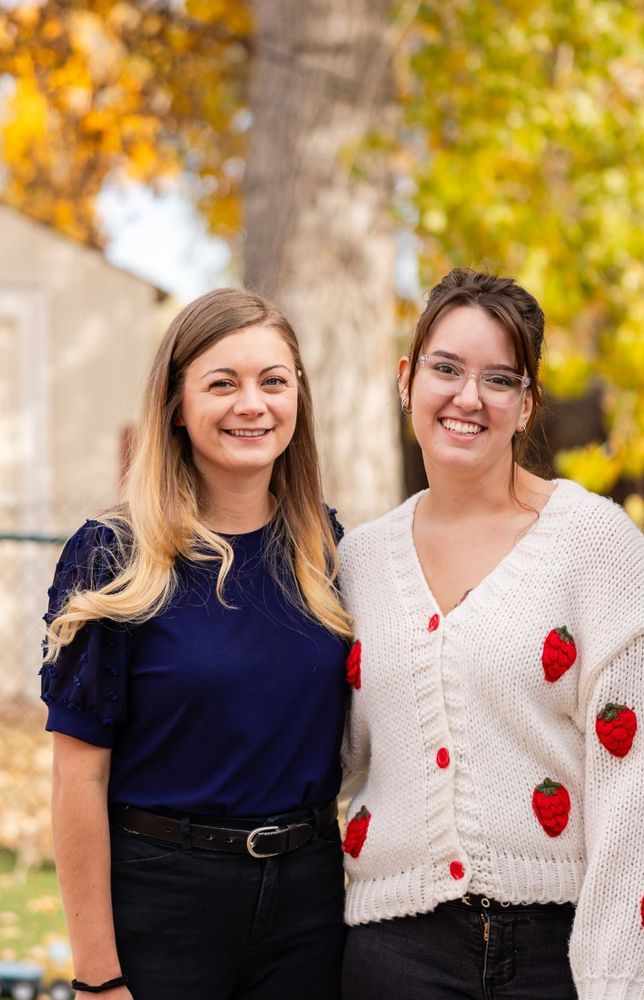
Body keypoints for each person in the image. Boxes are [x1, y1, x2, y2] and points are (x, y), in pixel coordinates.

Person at [338, 268, 644, 1000]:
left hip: (561, 954)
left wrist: (621, 981)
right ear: (406, 379)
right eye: (445, 369)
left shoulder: (596, 548)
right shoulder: (356, 562)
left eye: (498, 379)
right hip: (393, 956)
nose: (466, 397)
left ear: (526, 404)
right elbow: (321, 754)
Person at [40, 288, 352, 1000]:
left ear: (297, 396)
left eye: (273, 381)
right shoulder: (114, 557)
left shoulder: (325, 549)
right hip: (164, 902)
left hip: (308, 906)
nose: (253, 404)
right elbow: (76, 780)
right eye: (222, 383)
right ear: (177, 405)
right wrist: (96, 978)